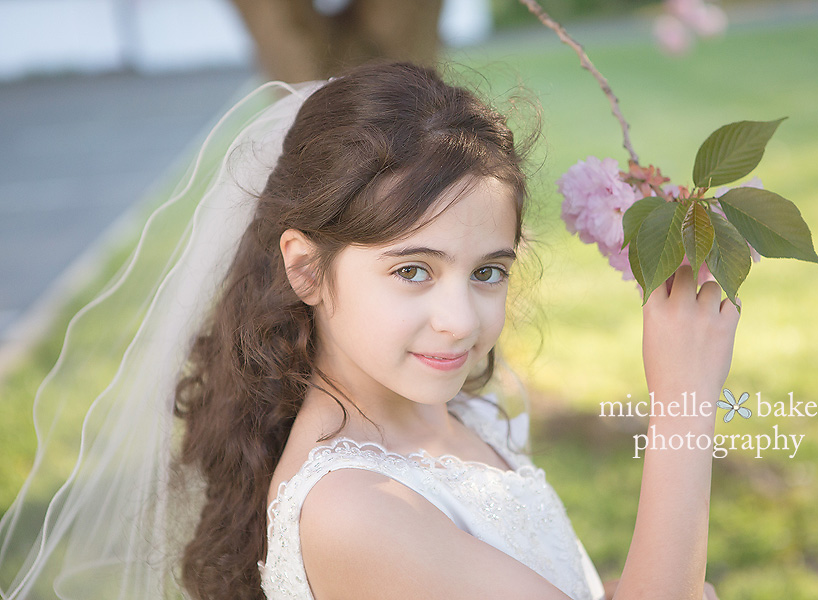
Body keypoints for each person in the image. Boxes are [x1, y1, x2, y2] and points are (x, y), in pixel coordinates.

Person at [0, 62, 737, 600]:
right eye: (412, 271)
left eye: (488, 271)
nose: (462, 319)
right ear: (307, 270)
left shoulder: (453, 415)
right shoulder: (353, 510)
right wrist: (683, 399)